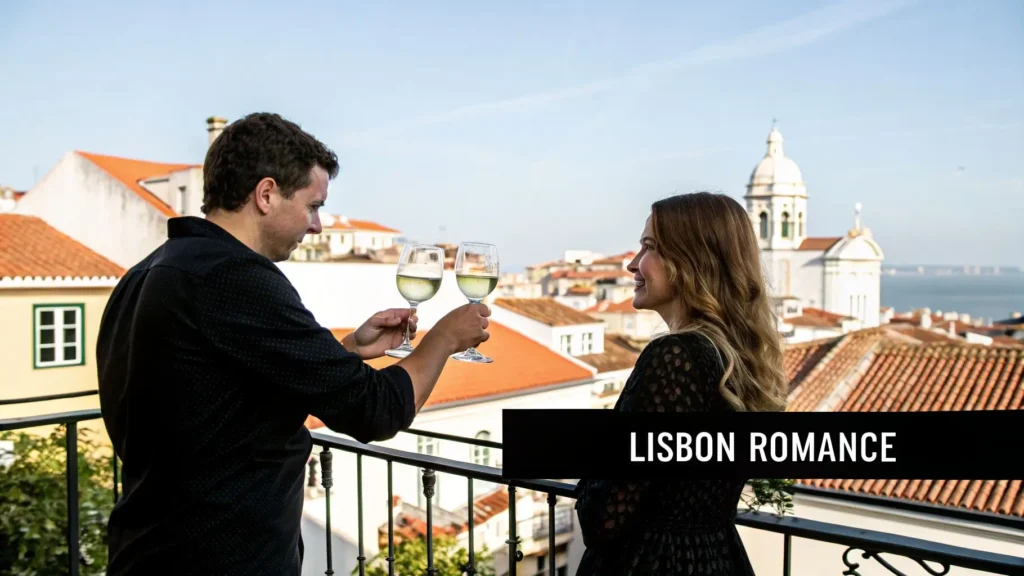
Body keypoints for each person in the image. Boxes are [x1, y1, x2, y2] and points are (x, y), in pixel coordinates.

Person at [95, 112, 490, 575]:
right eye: (313, 205)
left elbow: (220, 399)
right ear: (266, 195)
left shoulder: (151, 271)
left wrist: (345, 351)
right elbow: (376, 409)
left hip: (148, 546)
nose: (318, 225)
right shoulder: (234, 278)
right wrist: (444, 338)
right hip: (219, 556)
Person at [573, 192, 788, 575]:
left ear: (692, 260)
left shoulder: (675, 358)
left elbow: (604, 519)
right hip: (717, 558)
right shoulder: (735, 358)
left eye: (650, 247)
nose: (632, 265)